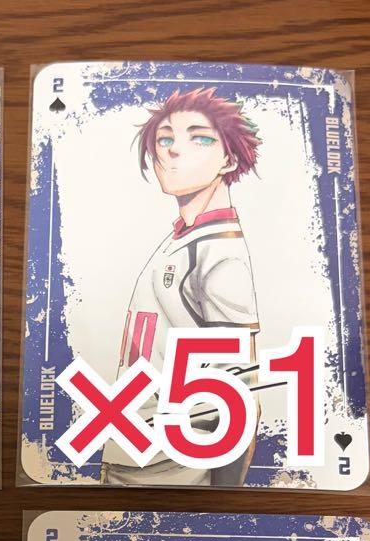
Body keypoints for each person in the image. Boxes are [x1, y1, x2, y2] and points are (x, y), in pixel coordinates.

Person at [102, 88, 262, 487]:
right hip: (133, 454)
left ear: (229, 158)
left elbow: (241, 394)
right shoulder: (183, 237)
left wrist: (222, 502)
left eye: (200, 138)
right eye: (164, 139)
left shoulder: (219, 253)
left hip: (173, 472)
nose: (173, 150)